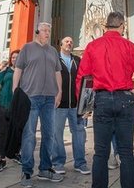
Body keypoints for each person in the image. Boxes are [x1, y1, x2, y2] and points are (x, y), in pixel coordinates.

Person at [76, 11, 134, 188]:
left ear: (106, 26)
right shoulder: (129, 45)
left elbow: (82, 77)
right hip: (125, 99)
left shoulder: (93, 46)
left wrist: (84, 107)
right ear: (122, 26)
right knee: (126, 152)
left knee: (100, 152)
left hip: (101, 99)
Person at [12, 22, 63, 187]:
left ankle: (45, 169)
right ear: (37, 32)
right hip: (30, 97)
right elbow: (18, 69)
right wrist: (15, 90)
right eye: (45, 30)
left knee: (49, 135)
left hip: (50, 98)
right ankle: (27, 171)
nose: (48, 33)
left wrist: (59, 91)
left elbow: (57, 72)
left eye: (49, 30)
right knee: (29, 135)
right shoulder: (27, 48)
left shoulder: (53, 51)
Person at [52, 36, 90, 175]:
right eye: (66, 41)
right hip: (59, 105)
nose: (69, 43)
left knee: (79, 133)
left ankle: (80, 163)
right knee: (57, 134)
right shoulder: (54, 59)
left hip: (76, 105)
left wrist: (86, 105)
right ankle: (58, 162)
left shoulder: (77, 60)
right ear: (60, 44)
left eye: (71, 42)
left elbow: (85, 80)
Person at [0, 50, 18, 173]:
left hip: (17, 107)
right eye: (13, 57)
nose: (15, 59)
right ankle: (2, 159)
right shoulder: (5, 71)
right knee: (2, 132)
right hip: (4, 104)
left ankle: (15, 153)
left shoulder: (24, 71)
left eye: (17, 57)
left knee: (17, 132)